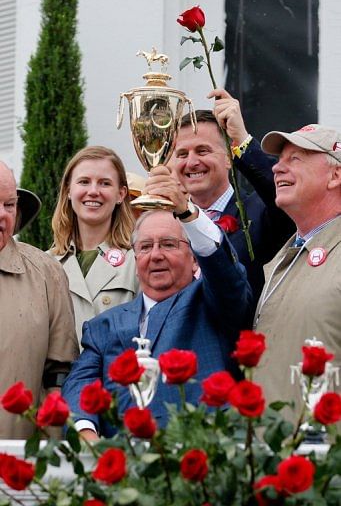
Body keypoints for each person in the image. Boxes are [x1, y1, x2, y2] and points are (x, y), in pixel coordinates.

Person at [62, 166, 252, 439]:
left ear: (194, 257)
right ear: (135, 257)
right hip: (124, 466)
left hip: (199, 460)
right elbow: (79, 384)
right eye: (146, 247)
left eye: (169, 244)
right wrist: (87, 433)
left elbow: (226, 274)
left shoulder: (212, 302)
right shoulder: (104, 325)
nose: (156, 255)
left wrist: (187, 213)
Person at [171, 89, 295, 319]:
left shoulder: (260, 211)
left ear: (229, 156)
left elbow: (283, 193)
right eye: (181, 154)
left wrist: (242, 138)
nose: (192, 162)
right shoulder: (166, 221)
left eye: (202, 150)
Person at [253, 124, 341, 420]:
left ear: (335, 176)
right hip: (274, 455)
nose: (277, 168)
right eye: (280, 160)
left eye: (296, 159)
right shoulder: (284, 257)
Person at [0, 161, 79, 439]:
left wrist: (47, 455)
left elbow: (60, 372)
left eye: (9, 205)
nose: (2, 215)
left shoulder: (47, 272)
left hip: (19, 464)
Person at [50, 146, 139, 343]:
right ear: (68, 191)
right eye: (84, 182)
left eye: (105, 183)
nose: (93, 191)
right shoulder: (45, 264)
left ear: (121, 194)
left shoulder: (138, 261)